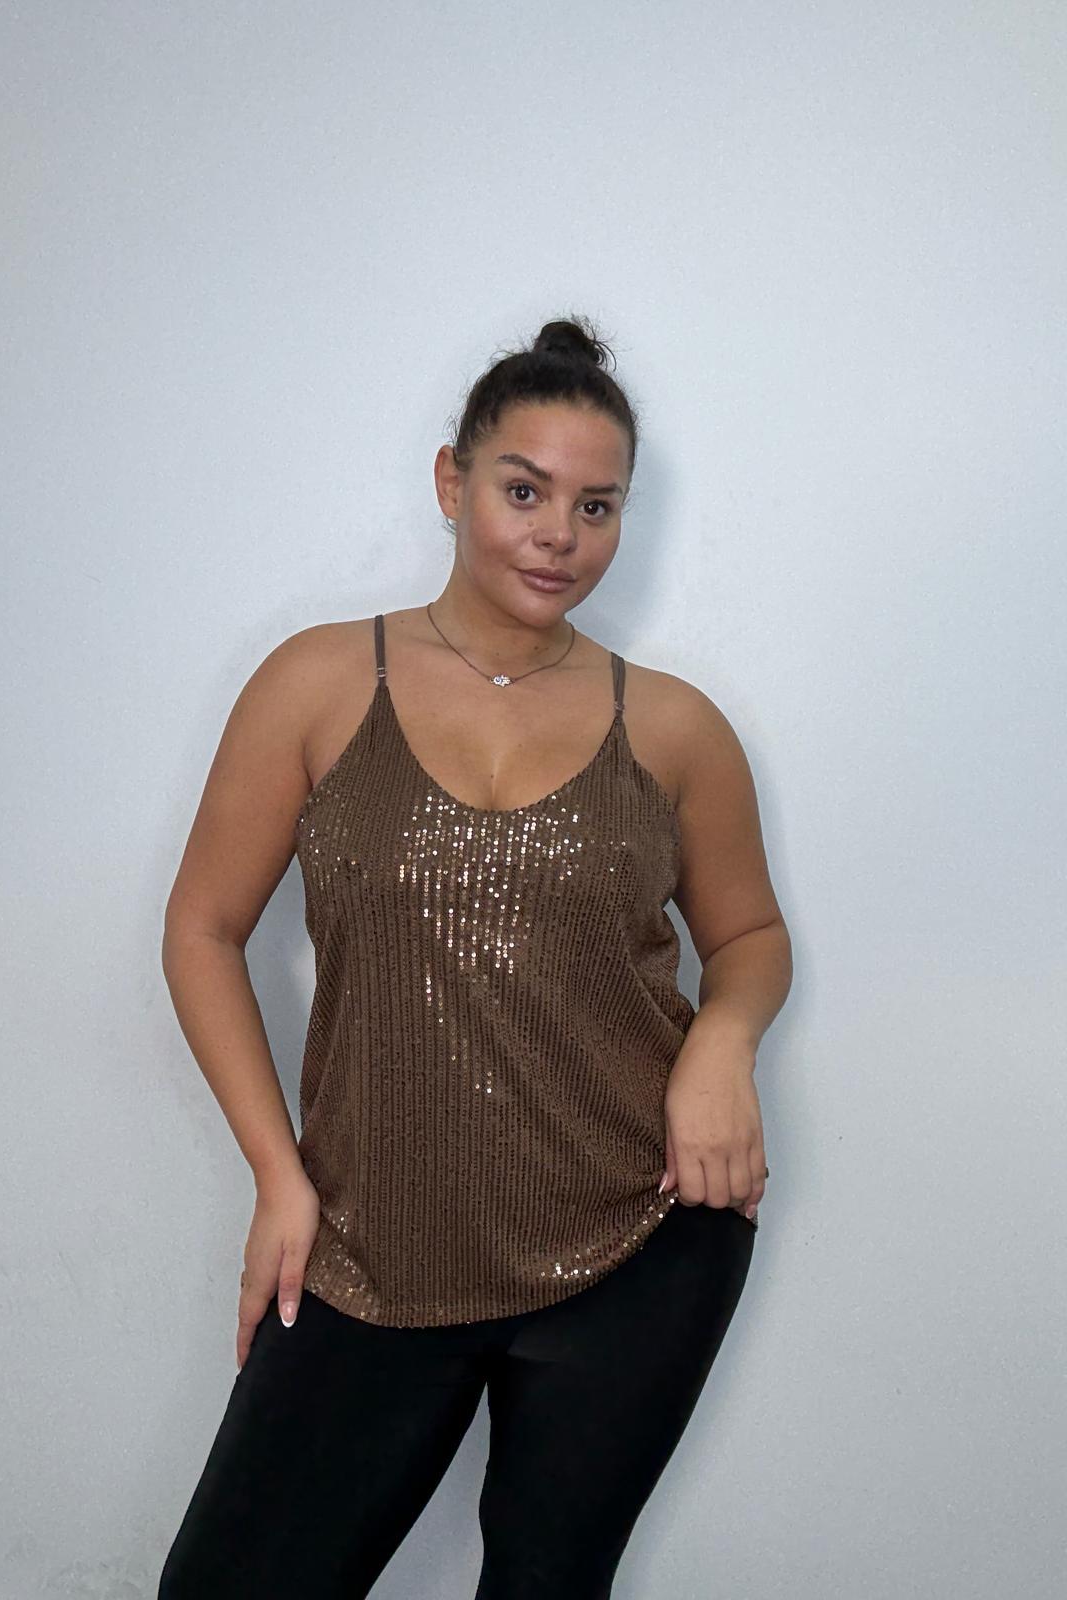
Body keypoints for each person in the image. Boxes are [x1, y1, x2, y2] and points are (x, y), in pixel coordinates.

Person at [156, 316, 792, 1598]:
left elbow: (749, 937)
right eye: (525, 490)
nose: (561, 535)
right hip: (370, 1242)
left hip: (639, 1238)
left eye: (596, 506)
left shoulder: (676, 726)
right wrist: (279, 1177)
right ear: (452, 482)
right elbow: (202, 930)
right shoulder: (319, 681)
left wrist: (722, 1041)